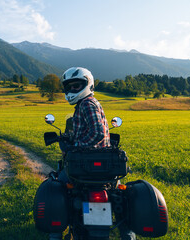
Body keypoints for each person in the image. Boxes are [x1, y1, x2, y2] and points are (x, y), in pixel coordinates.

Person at [49, 67, 135, 240]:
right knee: (118, 192)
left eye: (76, 85)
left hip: (87, 161)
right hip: (102, 160)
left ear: (88, 84)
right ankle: (126, 231)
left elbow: (97, 133)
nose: (72, 90)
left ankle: (56, 233)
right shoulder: (88, 103)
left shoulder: (87, 104)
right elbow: (96, 131)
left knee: (58, 186)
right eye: (69, 87)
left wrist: (75, 146)